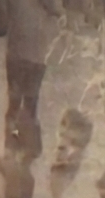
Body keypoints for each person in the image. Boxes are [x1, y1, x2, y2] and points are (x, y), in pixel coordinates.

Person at [5, 0, 65, 163]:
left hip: (15, 50)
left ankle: (10, 145)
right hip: (36, 53)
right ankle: (29, 146)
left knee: (14, 101)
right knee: (30, 102)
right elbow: (57, 9)